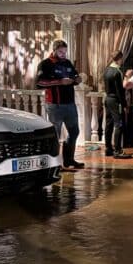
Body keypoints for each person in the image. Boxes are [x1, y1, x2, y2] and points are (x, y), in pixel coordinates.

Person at [36, 39, 85, 170]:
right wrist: (59, 82)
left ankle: (68, 160)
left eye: (65, 51)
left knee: (74, 132)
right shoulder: (45, 64)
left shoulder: (67, 63)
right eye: (60, 52)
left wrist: (77, 79)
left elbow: (74, 76)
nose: (63, 54)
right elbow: (40, 83)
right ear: (54, 50)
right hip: (54, 105)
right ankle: (55, 164)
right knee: (55, 135)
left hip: (70, 104)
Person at [102, 50, 130, 159]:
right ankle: (118, 150)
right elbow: (120, 91)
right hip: (115, 100)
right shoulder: (117, 72)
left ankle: (108, 148)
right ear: (120, 58)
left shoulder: (107, 70)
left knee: (108, 124)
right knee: (119, 124)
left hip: (107, 98)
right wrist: (124, 104)